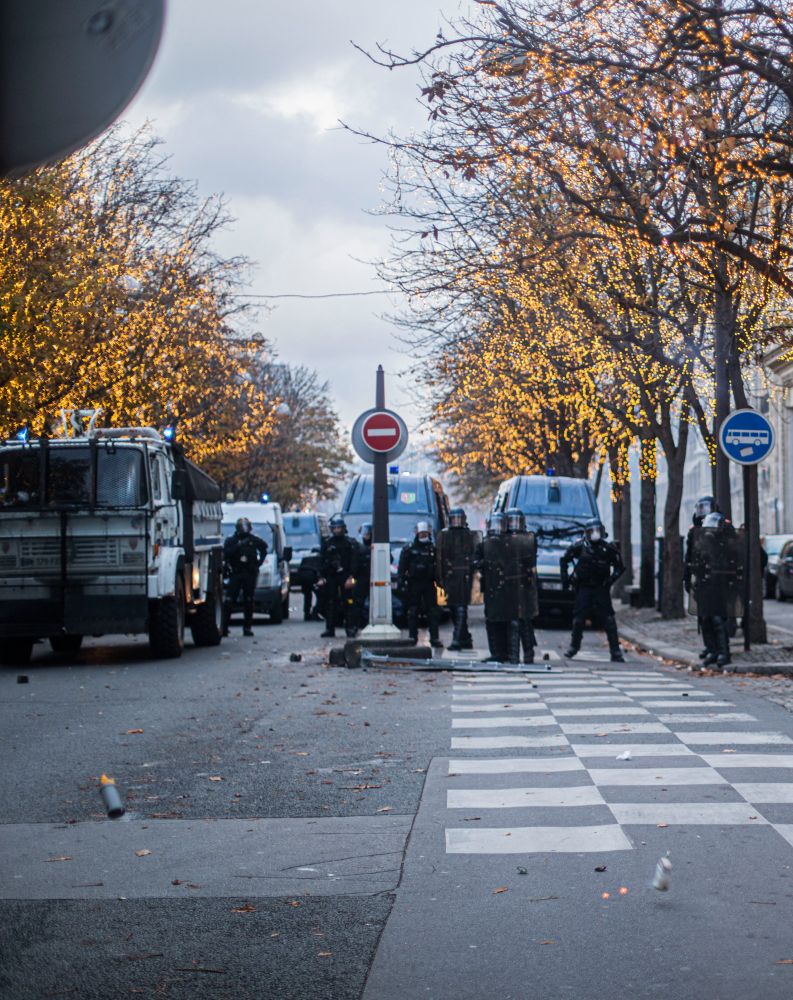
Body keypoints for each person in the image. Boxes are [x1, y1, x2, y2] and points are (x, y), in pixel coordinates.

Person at [560, 518, 625, 662]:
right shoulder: (579, 547)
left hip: (601, 588)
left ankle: (615, 651)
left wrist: (610, 581)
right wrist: (566, 581)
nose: (595, 534)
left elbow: (620, 567)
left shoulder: (608, 549)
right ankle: (574, 647)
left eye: (597, 531)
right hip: (584, 588)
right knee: (578, 620)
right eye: (592, 531)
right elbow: (564, 560)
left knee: (609, 619)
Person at [689, 511, 742, 668]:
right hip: (706, 586)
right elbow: (696, 562)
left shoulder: (727, 544)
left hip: (721, 586)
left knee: (718, 620)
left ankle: (724, 653)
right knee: (706, 619)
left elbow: (734, 563)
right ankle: (712, 650)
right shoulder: (703, 544)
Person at [437, 507, 476, 651]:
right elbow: (440, 557)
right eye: (454, 519)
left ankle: (457, 639)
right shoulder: (445, 535)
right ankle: (465, 638)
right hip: (450, 578)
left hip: (464, 577)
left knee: (461, 608)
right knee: (454, 608)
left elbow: (474, 554)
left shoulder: (468, 535)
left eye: (459, 519)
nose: (456, 522)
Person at [398, 521, 443, 648]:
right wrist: (401, 581)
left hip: (429, 583)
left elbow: (439, 566)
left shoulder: (433, 549)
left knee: (433, 611)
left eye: (425, 533)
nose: (423, 535)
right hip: (414, 584)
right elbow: (402, 567)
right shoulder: (409, 549)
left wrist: (440, 582)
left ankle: (434, 638)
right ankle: (413, 637)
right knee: (413, 611)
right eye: (421, 533)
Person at [684, 496, 718, 660]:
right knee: (703, 618)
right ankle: (709, 647)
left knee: (717, 618)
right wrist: (687, 578)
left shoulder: (720, 526)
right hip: (701, 578)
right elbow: (689, 557)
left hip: (717, 578)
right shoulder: (694, 532)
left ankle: (719, 650)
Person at [222, 517, 268, 637]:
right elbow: (226, 553)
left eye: (246, 526)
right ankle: (224, 627)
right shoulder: (232, 541)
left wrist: (258, 563)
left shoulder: (253, 540)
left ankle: (247, 627)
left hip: (249, 573)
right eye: (242, 527)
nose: (244, 529)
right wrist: (238, 546)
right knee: (229, 600)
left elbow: (264, 548)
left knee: (248, 600)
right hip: (236, 573)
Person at [504, 507, 539, 664]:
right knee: (513, 621)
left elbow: (530, 559)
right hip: (508, 584)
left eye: (517, 521)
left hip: (524, 584)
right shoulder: (502, 539)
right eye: (511, 521)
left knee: (525, 620)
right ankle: (513, 654)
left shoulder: (528, 539)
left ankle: (528, 653)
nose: (514, 525)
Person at [475, 511, 509, 663]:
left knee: (506, 621)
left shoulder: (509, 543)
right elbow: (474, 562)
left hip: (507, 587)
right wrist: (483, 563)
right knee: (491, 620)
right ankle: (495, 652)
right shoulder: (484, 544)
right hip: (490, 586)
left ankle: (507, 652)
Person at [318, 515, 358, 638]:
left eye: (339, 528)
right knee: (330, 603)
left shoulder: (349, 543)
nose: (336, 530)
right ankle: (330, 628)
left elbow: (354, 561)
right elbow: (322, 560)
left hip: (345, 576)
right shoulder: (328, 544)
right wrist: (321, 577)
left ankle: (350, 627)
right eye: (334, 528)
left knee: (349, 602)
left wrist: (351, 576)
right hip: (331, 576)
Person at [354, 522, 373, 630]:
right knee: (358, 602)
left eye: (368, 534)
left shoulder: (375, 547)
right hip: (361, 578)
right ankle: (357, 624)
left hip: (372, 578)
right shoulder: (359, 548)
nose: (366, 537)